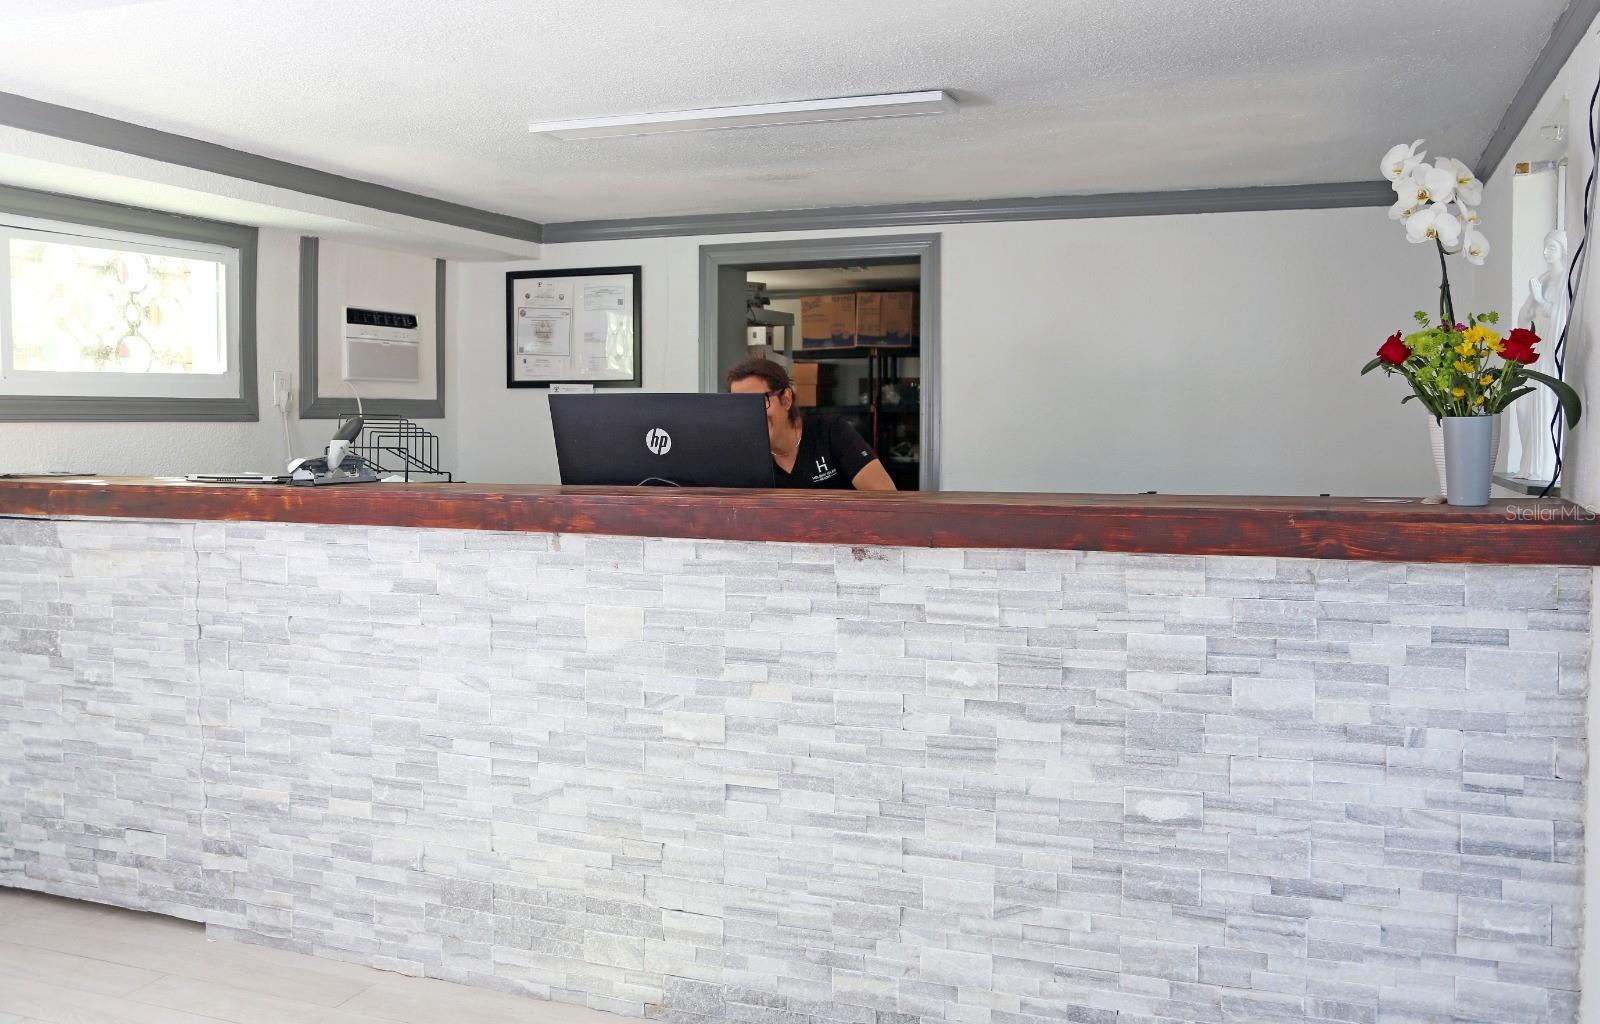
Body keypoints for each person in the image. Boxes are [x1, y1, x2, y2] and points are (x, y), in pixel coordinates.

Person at [726, 356, 896, 490]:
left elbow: (886, 499)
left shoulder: (831, 432)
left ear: (786, 399)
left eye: (759, 401)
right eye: (740, 405)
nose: (750, 414)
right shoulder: (741, 455)